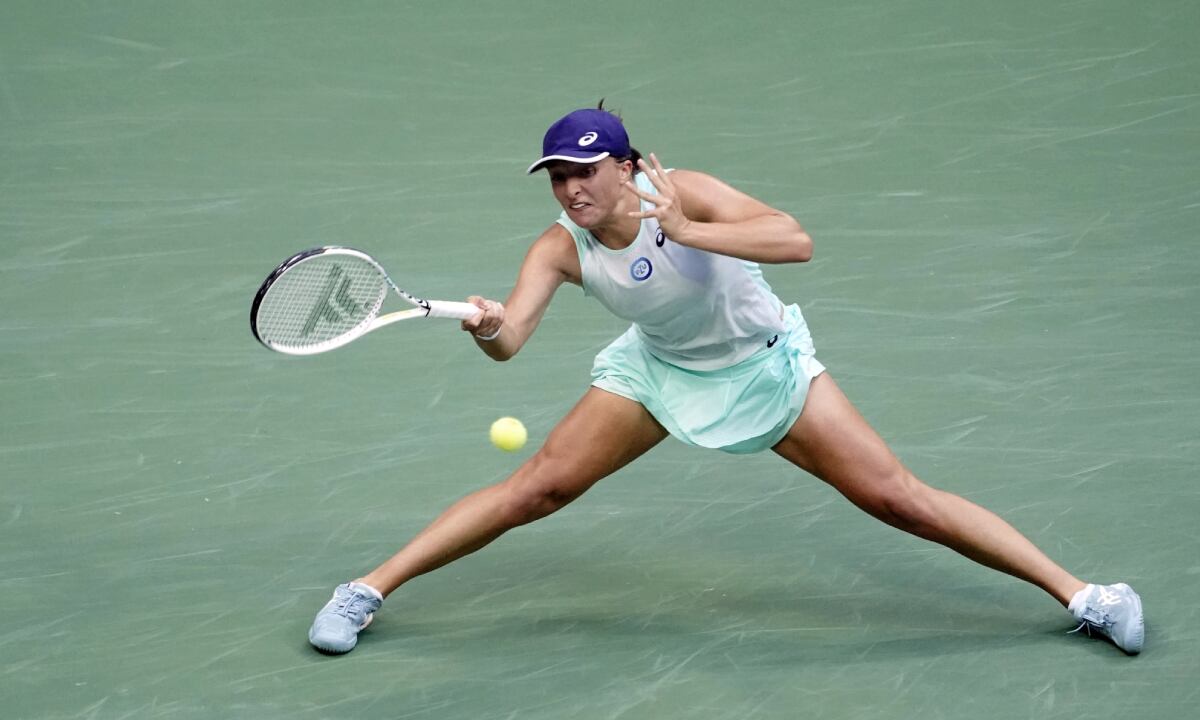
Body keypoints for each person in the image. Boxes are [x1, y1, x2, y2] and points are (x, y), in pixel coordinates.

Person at [307, 106, 1144, 656]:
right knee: (537, 487)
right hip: (658, 372)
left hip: (764, 367)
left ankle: (1086, 596)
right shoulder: (559, 247)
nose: (571, 189)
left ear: (624, 166)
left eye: (584, 172)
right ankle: (365, 589)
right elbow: (512, 342)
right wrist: (486, 327)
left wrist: (686, 228)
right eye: (559, 176)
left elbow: (795, 241)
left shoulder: (689, 194)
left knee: (899, 499)